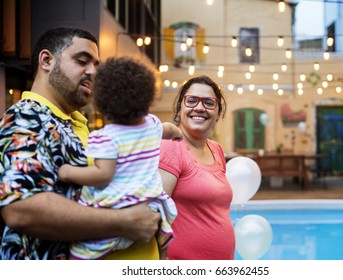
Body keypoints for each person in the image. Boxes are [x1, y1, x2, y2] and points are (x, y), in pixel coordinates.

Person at [0, 27, 160, 260]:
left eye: (96, 65)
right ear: (46, 61)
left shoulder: (72, 122)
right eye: (82, 61)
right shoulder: (27, 118)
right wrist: (124, 222)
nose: (93, 72)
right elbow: (21, 209)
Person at [58, 56, 183, 260]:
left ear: (102, 101)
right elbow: (168, 129)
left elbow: (103, 174)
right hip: (151, 205)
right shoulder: (152, 124)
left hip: (117, 210)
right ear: (147, 97)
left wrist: (69, 172)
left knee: (78, 255)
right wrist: (178, 133)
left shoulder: (105, 137)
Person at [158, 75, 235, 260]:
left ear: (218, 113)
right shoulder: (171, 146)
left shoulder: (216, 149)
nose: (199, 107)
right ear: (180, 108)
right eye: (191, 100)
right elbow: (155, 215)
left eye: (209, 102)